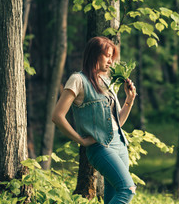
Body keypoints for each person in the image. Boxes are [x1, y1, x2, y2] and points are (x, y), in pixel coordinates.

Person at [52, 36, 137, 204]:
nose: (111, 61)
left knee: (113, 197)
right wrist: (81, 141)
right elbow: (57, 116)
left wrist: (129, 100)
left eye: (112, 57)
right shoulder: (78, 80)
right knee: (128, 189)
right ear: (94, 55)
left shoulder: (106, 82)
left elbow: (117, 121)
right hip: (100, 147)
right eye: (107, 55)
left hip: (120, 144)